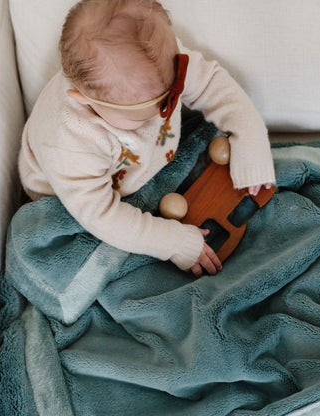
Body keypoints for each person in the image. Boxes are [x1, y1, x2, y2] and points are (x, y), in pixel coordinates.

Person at [18, 0, 275, 278]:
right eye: (142, 118)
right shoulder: (68, 141)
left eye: (171, 99)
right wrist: (173, 242)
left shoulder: (158, 62)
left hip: (142, 166)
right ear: (85, 100)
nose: (160, 116)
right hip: (75, 201)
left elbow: (212, 84)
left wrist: (249, 138)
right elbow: (100, 215)